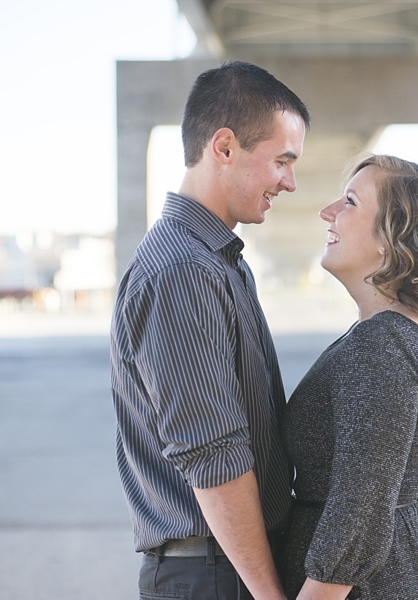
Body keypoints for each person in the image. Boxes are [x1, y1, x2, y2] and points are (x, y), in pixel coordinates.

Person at [110, 61, 309, 600]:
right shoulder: (183, 270)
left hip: (227, 567)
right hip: (216, 576)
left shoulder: (216, 260)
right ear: (224, 147)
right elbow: (212, 454)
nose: (290, 182)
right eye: (282, 161)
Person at [281, 154, 418, 599]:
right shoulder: (403, 335)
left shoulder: (382, 347)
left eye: (351, 202)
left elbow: (357, 515)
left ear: (393, 238)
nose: (327, 211)